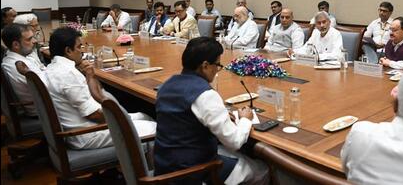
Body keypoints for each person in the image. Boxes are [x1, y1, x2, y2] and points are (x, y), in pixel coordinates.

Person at [155, 37, 269, 184]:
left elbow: (187, 117)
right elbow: (234, 142)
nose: (217, 69)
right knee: (261, 169)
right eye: (217, 65)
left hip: (165, 166)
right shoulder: (205, 94)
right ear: (205, 66)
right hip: (192, 173)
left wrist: (219, 115)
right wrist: (246, 119)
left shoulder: (167, 84)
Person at [45, 27, 156, 149]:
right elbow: (93, 115)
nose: (81, 51)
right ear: (68, 51)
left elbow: (94, 96)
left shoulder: (52, 68)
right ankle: (141, 165)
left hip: (85, 125)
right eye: (78, 47)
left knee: (144, 116)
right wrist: (120, 119)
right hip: (87, 133)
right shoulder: (68, 73)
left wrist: (89, 76)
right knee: (154, 128)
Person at [1, 24, 46, 116]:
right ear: (16, 45)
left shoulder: (22, 58)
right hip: (43, 111)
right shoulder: (16, 65)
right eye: (29, 39)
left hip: (45, 103)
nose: (35, 41)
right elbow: (46, 87)